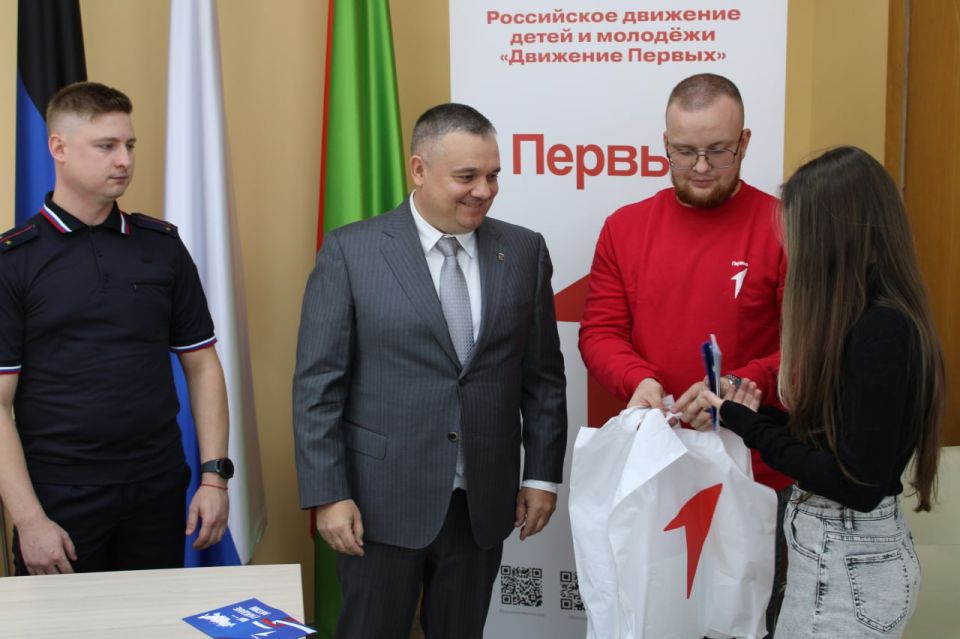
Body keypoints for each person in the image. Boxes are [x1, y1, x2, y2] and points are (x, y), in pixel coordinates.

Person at [293, 103, 567, 639]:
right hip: (377, 506)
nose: (484, 191)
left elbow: (542, 379)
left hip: (482, 505)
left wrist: (540, 475)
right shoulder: (352, 252)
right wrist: (328, 493)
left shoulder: (524, 250)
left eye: (493, 176)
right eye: (467, 177)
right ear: (419, 170)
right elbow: (317, 388)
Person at [578, 73, 792, 632]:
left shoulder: (784, 228)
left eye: (718, 151)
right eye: (684, 152)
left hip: (757, 474)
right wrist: (640, 381)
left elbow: (807, 348)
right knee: (654, 622)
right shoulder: (625, 228)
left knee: (748, 622)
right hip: (654, 471)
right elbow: (600, 331)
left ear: (745, 142)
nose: (700, 167)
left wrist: (738, 386)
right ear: (665, 144)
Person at [703, 145, 945, 638]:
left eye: (797, 232)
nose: (790, 248)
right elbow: (845, 442)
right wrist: (757, 417)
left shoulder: (881, 331)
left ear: (831, 236)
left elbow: (856, 484)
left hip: (847, 567)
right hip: (841, 560)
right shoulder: (873, 323)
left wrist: (753, 429)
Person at [0, 82, 231, 575]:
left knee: (155, 615)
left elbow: (203, 365)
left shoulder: (161, 246)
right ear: (58, 148)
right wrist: (29, 519)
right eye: (106, 146)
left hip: (157, 487)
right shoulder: (14, 260)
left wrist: (214, 477)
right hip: (59, 496)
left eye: (129, 145)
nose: (124, 160)